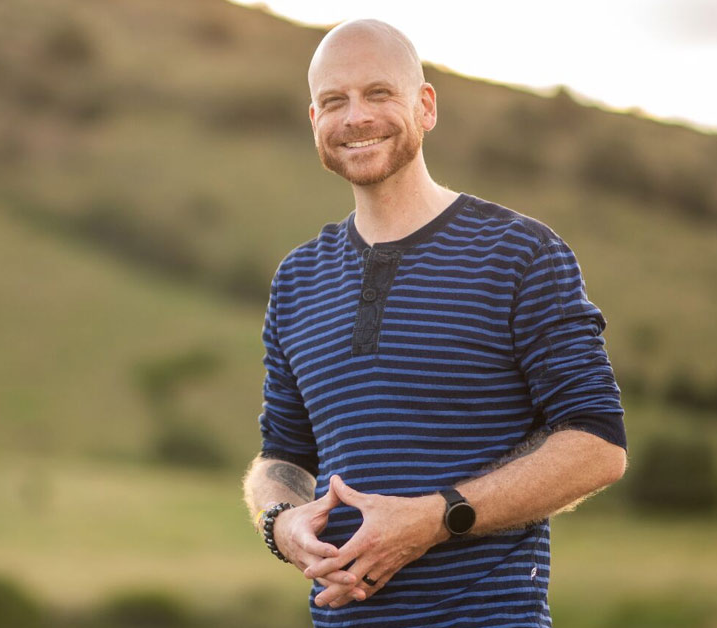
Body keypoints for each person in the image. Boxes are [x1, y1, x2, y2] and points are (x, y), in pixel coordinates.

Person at [241, 18, 628, 627]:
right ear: (314, 122)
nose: (356, 117)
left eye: (378, 93)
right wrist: (280, 522)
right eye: (333, 101)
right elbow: (281, 458)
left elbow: (598, 445)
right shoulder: (297, 279)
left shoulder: (521, 253)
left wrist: (435, 517)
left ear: (425, 106)